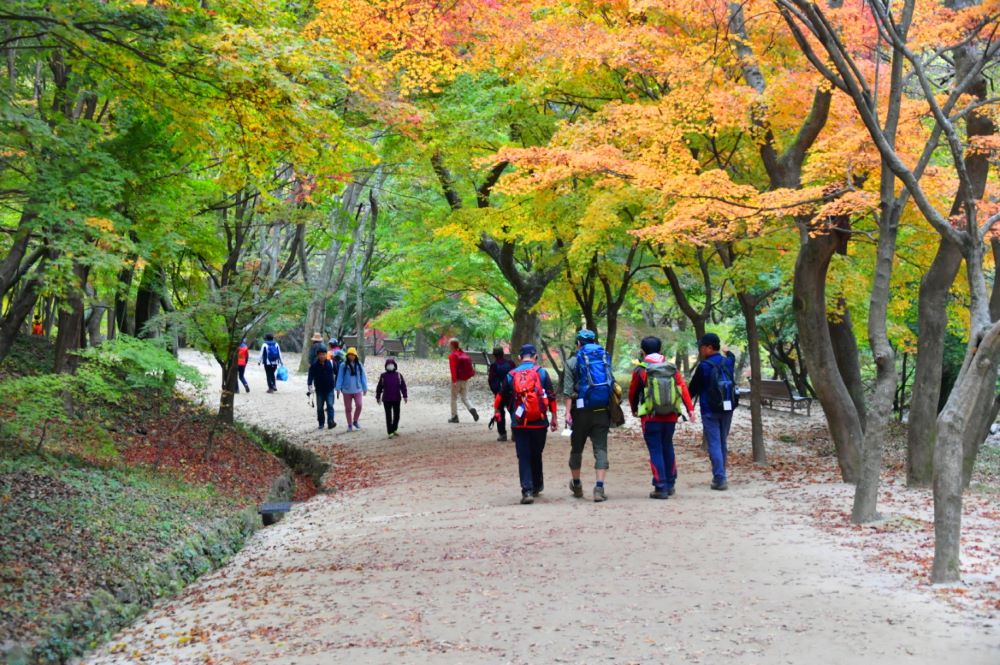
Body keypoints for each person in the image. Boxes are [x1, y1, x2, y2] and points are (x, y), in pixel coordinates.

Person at [628, 336, 695, 499]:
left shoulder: (641, 370)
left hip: (650, 417)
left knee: (655, 449)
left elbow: (632, 393)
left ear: (642, 351)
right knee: (667, 446)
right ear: (660, 350)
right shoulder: (671, 368)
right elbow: (683, 388)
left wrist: (634, 409)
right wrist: (690, 409)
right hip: (671, 415)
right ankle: (670, 484)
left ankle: (660, 486)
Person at [494, 344, 558, 504]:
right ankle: (537, 485)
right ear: (535, 356)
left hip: (519, 423)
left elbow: (500, 396)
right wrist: (555, 417)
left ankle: (527, 491)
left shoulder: (511, 374)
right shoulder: (542, 373)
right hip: (540, 421)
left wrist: (496, 411)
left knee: (523, 456)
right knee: (536, 454)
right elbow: (551, 396)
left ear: (520, 357)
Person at [564, 329, 615, 502]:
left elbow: (568, 391)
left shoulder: (572, 362)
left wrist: (567, 414)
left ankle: (577, 485)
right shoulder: (604, 359)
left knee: (576, 449)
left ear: (578, 343)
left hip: (580, 412)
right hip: (601, 411)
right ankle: (599, 488)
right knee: (601, 449)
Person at [688, 332, 738, 490]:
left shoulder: (704, 366)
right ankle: (721, 475)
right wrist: (727, 350)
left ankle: (720, 478)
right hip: (728, 408)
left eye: (702, 347)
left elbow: (692, 389)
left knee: (715, 443)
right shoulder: (728, 362)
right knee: (722, 441)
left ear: (709, 347)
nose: (701, 350)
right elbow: (733, 357)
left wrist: (686, 404)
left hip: (710, 410)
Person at [336, 347, 368, 431]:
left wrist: (365, 388)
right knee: (348, 408)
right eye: (350, 355)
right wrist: (338, 388)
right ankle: (349, 424)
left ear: (355, 356)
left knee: (359, 405)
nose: (351, 357)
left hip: (357, 389)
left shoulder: (359, 365)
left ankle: (355, 421)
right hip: (346, 390)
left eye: (353, 355)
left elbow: (363, 377)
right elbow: (340, 377)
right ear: (347, 356)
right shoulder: (343, 365)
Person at [447, 338, 479, 424]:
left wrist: (453, 381)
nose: (448, 345)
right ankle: (472, 408)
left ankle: (454, 417)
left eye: (449, 344)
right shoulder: (462, 353)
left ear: (452, 345)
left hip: (457, 380)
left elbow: (453, 369)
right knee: (465, 398)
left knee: (453, 398)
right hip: (465, 380)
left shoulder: (452, 355)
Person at [487, 347, 515, 441]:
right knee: (513, 412)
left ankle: (502, 434)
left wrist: (496, 392)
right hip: (511, 392)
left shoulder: (494, 366)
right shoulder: (511, 363)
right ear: (503, 354)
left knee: (499, 413)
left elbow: (491, 381)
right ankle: (515, 433)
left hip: (500, 393)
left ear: (494, 355)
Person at [375, 357, 408, 438]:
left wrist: (405, 396)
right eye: (388, 364)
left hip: (397, 398)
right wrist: (378, 397)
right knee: (388, 416)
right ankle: (390, 432)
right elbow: (379, 387)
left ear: (395, 365)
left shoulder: (398, 375)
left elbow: (403, 386)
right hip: (386, 399)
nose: (390, 366)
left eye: (392, 364)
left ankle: (394, 429)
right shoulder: (383, 376)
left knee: (397, 415)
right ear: (386, 366)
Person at [307, 348, 337, 430]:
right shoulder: (314, 365)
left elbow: (337, 372)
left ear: (326, 355)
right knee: (320, 407)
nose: (322, 356)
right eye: (320, 354)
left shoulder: (331, 363)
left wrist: (338, 386)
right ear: (317, 355)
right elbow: (310, 376)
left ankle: (331, 421)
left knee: (330, 405)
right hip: (319, 390)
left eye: (323, 354)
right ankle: (321, 423)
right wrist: (310, 386)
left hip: (330, 388)